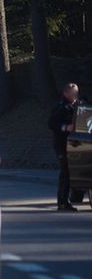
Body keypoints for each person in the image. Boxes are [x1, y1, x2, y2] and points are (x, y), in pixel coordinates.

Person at [48, 83, 84, 211]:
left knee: (78, 170)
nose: (75, 95)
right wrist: (65, 127)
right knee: (66, 172)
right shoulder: (61, 107)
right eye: (73, 93)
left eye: (76, 92)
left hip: (79, 143)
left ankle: (77, 195)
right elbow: (51, 124)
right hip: (63, 144)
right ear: (65, 93)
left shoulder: (80, 106)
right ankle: (62, 203)